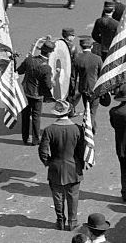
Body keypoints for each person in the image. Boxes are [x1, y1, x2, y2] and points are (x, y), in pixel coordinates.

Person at [39, 99, 86, 231]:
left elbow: (43, 151)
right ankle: (72, 221)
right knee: (73, 196)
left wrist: (48, 162)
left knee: (58, 196)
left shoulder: (49, 130)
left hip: (56, 166)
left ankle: (60, 221)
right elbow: (82, 150)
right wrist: (81, 164)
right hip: (73, 167)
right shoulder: (77, 129)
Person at [17, 40, 55, 144]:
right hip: (37, 94)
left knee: (25, 115)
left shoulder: (29, 60)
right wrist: (53, 82)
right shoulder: (46, 67)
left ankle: (25, 138)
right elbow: (48, 85)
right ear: (50, 53)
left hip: (26, 91)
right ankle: (35, 139)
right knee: (36, 117)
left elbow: (19, 71)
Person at [70, 37, 103, 117]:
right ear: (91, 46)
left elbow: (73, 77)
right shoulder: (97, 58)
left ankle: (88, 127)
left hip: (83, 88)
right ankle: (90, 128)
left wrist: (72, 90)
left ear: (81, 47)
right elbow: (102, 74)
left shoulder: (77, 58)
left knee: (87, 109)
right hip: (95, 88)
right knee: (92, 111)